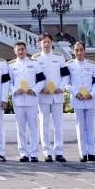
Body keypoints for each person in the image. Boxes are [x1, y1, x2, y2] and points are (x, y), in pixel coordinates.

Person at [32, 33, 70, 162]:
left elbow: (65, 75)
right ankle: (47, 152)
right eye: (44, 42)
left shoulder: (59, 57)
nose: (46, 44)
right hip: (43, 95)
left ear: (52, 43)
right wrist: (40, 89)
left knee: (58, 125)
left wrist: (61, 87)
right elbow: (33, 77)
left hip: (57, 95)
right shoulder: (35, 59)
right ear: (40, 44)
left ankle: (59, 152)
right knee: (44, 124)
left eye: (48, 41)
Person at [8, 40, 45, 162]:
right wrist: (15, 90)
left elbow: (42, 80)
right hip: (18, 100)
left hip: (31, 100)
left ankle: (34, 153)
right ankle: (23, 153)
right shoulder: (11, 65)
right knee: (21, 128)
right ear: (15, 51)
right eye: (18, 49)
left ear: (26, 50)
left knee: (33, 128)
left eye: (22, 49)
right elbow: (8, 83)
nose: (21, 52)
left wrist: (34, 90)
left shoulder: (34, 63)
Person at [66, 40, 95, 163]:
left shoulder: (92, 65)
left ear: (84, 51)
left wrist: (92, 94)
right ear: (73, 51)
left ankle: (92, 153)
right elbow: (67, 83)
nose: (79, 52)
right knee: (80, 127)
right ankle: (83, 153)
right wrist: (76, 93)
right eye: (76, 50)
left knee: (90, 127)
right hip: (78, 99)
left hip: (90, 99)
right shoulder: (69, 66)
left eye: (81, 50)